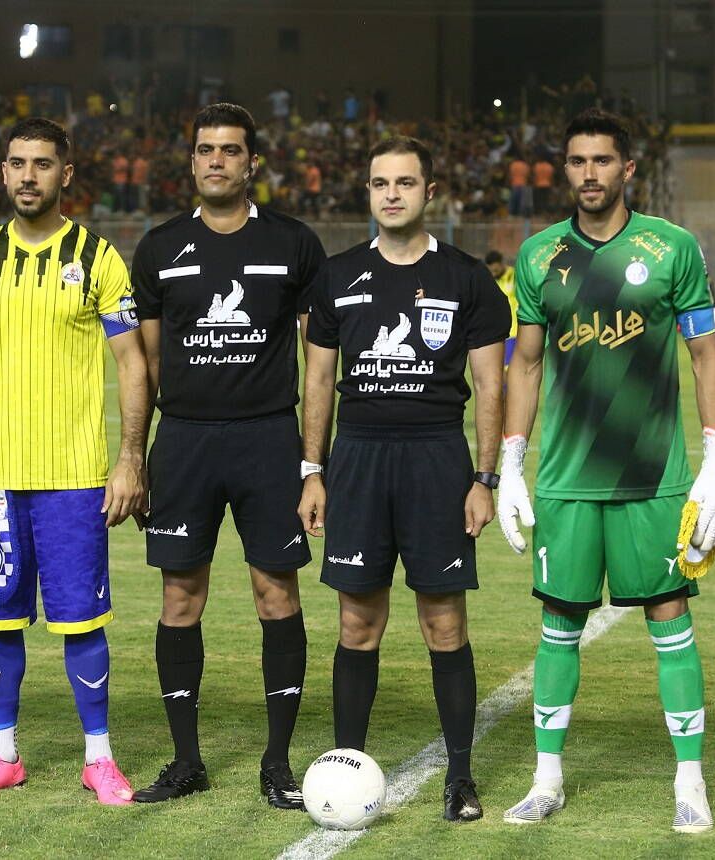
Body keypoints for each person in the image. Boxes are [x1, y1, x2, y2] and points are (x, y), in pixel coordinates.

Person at [498, 109, 715, 831]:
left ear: (627, 169)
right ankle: (546, 780)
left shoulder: (670, 249)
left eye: (602, 161)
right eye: (576, 162)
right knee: (558, 623)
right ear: (562, 170)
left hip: (653, 475)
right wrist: (509, 461)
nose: (589, 174)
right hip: (566, 479)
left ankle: (688, 782)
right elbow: (527, 363)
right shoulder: (537, 257)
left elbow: (704, 353)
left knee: (669, 618)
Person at [299, 136, 510, 821]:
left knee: (442, 621)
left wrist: (484, 478)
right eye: (379, 183)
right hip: (358, 457)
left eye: (405, 182)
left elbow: (487, 385)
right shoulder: (335, 276)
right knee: (357, 622)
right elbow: (319, 380)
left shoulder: (466, 278)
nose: (391, 194)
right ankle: (345, 766)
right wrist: (313, 470)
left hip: (435, 458)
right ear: (367, 193)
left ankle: (458, 776)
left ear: (429, 193)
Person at [0, 117, 147, 805]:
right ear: (2, 172)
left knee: (81, 621)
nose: (28, 175)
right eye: (16, 163)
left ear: (66, 175)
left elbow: (130, 362)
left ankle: (99, 759)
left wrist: (127, 460)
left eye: (42, 164)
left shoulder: (98, 256)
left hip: (73, 477)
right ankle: (3, 755)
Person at [130, 103, 326, 808]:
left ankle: (277, 763)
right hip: (183, 440)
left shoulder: (294, 244)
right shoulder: (157, 249)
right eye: (205, 149)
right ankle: (186, 762)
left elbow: (318, 363)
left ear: (252, 164)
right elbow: (146, 366)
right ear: (191, 162)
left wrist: (311, 463)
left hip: (266, 439)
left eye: (230, 150)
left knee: (276, 593)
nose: (216, 160)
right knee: (179, 596)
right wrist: (136, 455)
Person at [484, 250, 518, 365]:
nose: (493, 273)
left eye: (495, 270)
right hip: (495, 334)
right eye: (491, 271)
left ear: (501, 263)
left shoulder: (515, 276)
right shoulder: (489, 281)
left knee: (507, 369)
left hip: (514, 332)